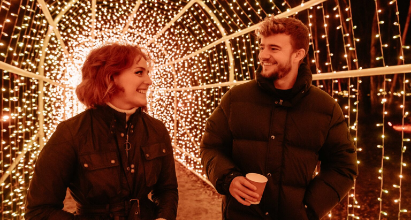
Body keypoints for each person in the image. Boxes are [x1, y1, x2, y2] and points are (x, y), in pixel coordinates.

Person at [200, 17, 358, 220]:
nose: (263, 55)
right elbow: (211, 147)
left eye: (274, 48)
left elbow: (343, 167)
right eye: (262, 47)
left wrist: (308, 210)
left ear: (298, 54)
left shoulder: (326, 108)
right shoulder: (235, 99)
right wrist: (227, 178)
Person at [26, 43, 178, 220]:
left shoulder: (156, 129)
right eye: (139, 72)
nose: (149, 81)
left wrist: (163, 218)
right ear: (111, 77)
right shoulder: (71, 133)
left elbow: (167, 189)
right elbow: (39, 210)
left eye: (147, 73)